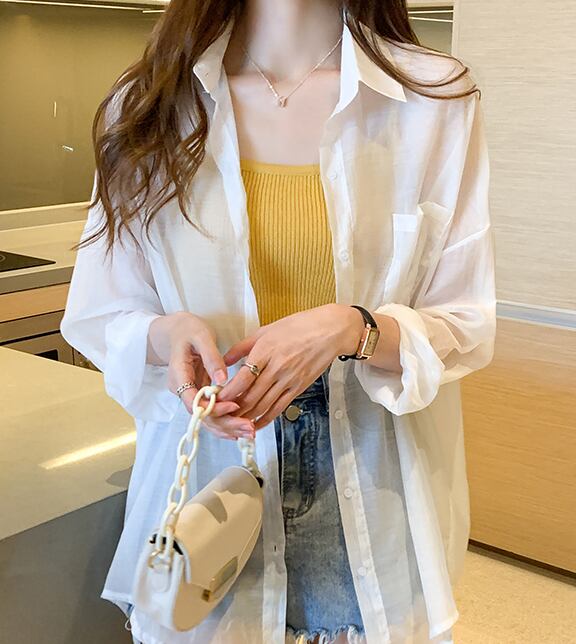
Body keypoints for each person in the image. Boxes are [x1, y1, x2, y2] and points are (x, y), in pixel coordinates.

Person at [60, 1, 496, 643]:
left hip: (367, 475)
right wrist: (168, 337)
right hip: (210, 475)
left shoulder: (431, 99)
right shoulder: (151, 103)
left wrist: (352, 328)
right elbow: (102, 310)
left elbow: (466, 320)